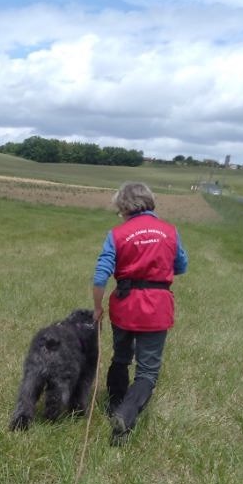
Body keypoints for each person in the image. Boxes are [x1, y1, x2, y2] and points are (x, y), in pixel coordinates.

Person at [92, 182, 188, 445]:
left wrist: (98, 308)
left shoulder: (117, 234)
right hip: (157, 307)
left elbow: (100, 276)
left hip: (125, 306)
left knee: (121, 357)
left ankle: (115, 406)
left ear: (124, 207)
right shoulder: (170, 231)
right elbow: (181, 265)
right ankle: (127, 413)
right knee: (147, 371)